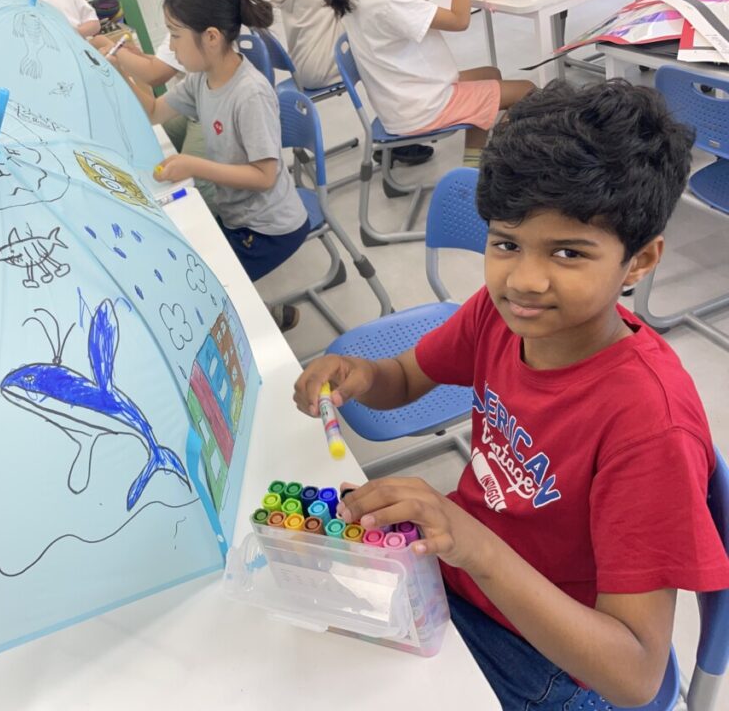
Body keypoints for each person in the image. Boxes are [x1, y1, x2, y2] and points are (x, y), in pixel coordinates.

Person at [294, 80, 729, 709]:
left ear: (638, 262)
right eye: (506, 243)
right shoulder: (501, 318)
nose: (524, 280)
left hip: (549, 658)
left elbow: (635, 675)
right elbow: (406, 380)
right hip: (463, 578)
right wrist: (362, 373)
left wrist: (473, 545)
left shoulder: (648, 424)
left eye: (568, 252)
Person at [130, 0, 309, 330]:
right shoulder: (202, 79)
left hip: (270, 229)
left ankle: (258, 315)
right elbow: (154, 111)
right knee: (188, 261)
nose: (171, 46)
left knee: (201, 287)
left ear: (211, 37)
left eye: (175, 36)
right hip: (238, 218)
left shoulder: (249, 94)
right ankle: (263, 311)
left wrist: (193, 165)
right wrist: (117, 69)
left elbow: (265, 176)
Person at [323, 0, 534, 167]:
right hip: (425, 106)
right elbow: (460, 20)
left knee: (490, 74)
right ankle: (497, 165)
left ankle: (472, 164)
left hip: (399, 102)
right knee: (528, 91)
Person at [272, 0, 431, 167]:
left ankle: (398, 133)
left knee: (372, 36)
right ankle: (401, 134)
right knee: (381, 50)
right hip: (322, 65)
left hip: (302, 65)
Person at [91, 0, 217, 203]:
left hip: (206, 111)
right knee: (157, 141)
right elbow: (157, 86)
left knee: (195, 185)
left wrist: (116, 54)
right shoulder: (194, 73)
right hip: (194, 102)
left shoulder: (196, 18)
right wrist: (131, 59)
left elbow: (156, 73)